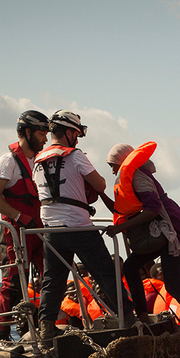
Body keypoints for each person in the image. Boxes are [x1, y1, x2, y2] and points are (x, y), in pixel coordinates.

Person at [104, 141, 180, 355]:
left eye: (113, 165)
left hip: (168, 228)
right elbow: (121, 209)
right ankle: (143, 316)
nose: (112, 171)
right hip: (157, 232)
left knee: (172, 285)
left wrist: (121, 228)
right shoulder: (129, 178)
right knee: (130, 267)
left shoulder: (138, 177)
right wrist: (100, 192)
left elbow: (153, 209)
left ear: (121, 161)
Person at [33, 111, 133, 342]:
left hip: (51, 229)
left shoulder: (37, 160)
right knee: (105, 273)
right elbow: (100, 184)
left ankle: (46, 327)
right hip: (78, 226)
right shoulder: (76, 156)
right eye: (76, 135)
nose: (77, 140)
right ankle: (128, 318)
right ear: (68, 133)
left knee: (52, 279)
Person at [0, 110, 49, 345]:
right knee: (13, 283)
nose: (45, 138)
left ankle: (42, 327)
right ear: (28, 132)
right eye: (42, 133)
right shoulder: (8, 162)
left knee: (50, 278)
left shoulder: (42, 162)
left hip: (41, 231)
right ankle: (0, 334)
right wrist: (20, 216)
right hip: (17, 232)